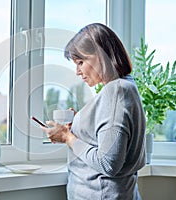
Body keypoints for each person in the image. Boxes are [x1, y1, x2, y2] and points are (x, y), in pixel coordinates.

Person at [41, 23, 146, 200]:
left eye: (81, 62)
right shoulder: (125, 86)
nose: (77, 71)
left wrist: (68, 137)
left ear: (101, 56)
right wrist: (80, 123)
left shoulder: (116, 91)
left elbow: (108, 163)